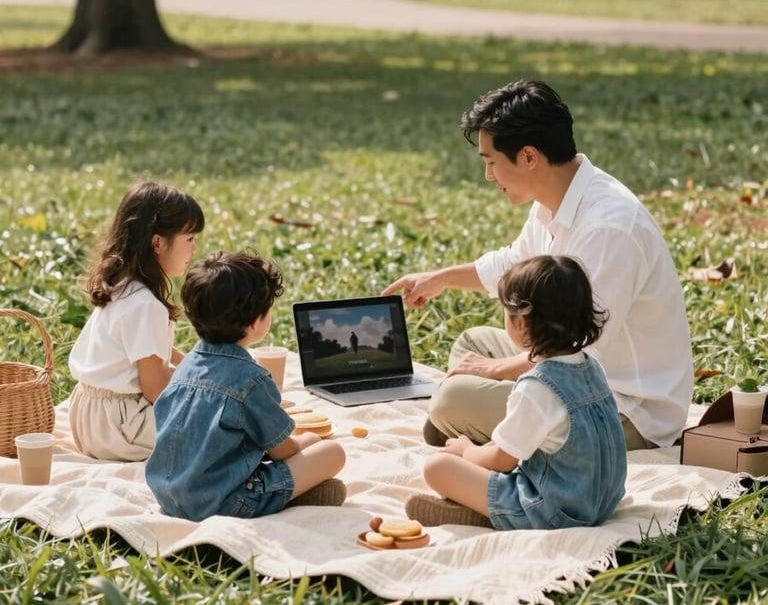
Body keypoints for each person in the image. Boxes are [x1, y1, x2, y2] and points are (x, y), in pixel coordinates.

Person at [383, 79, 693, 452]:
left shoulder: (609, 228)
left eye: (491, 162)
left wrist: (497, 371)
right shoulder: (553, 198)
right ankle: (496, 423)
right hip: (575, 372)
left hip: (623, 409)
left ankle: (486, 434)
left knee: (453, 401)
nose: (488, 176)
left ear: (529, 156)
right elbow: (515, 264)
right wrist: (440, 279)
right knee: (473, 344)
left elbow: (579, 347)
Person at [406, 255, 627, 529]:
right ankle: (488, 506)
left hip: (555, 511)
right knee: (471, 456)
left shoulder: (538, 386)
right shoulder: (591, 367)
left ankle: (493, 515)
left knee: (437, 466)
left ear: (521, 322)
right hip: (603, 501)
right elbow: (512, 445)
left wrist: (465, 451)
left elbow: (502, 460)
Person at [145, 250, 346, 520]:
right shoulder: (252, 380)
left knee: (308, 444)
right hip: (226, 502)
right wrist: (305, 444)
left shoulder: (185, 367)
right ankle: (287, 496)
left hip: (170, 496)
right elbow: (281, 450)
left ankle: (298, 490)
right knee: (331, 451)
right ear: (255, 323)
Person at [68, 181, 205, 461]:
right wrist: (198, 389)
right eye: (189, 239)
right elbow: (155, 389)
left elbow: (148, 353)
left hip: (89, 417)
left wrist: (193, 364)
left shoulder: (124, 287)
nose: (195, 248)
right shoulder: (146, 306)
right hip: (121, 426)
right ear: (157, 242)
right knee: (216, 426)